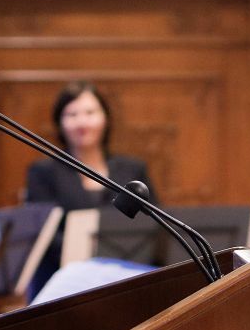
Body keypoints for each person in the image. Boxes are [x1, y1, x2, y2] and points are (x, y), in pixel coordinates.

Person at [22, 81, 156, 286]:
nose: (82, 122)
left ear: (106, 118)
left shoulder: (132, 169)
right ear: (59, 122)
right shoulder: (44, 173)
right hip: (66, 283)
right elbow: (43, 235)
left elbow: (153, 223)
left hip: (127, 278)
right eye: (72, 115)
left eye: (90, 112)